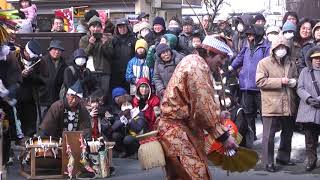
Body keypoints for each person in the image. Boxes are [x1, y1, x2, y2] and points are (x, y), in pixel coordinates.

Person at [157, 35, 237, 179]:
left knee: (180, 177)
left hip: (180, 129)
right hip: (176, 130)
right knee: (198, 175)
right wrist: (224, 136)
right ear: (210, 52)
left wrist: (218, 115)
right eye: (222, 57)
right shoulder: (197, 66)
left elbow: (197, 104)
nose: (223, 62)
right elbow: (202, 109)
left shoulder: (195, 62)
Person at [256, 34, 298, 172]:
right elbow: (260, 82)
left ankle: (283, 157)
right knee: (268, 135)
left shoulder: (291, 63)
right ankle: (268, 162)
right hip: (271, 104)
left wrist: (295, 82)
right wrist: (281, 81)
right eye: (278, 47)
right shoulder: (264, 63)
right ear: (273, 48)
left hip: (288, 103)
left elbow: (296, 77)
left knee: (288, 132)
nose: (281, 49)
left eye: (284, 47)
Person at [229, 24, 270, 141]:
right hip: (246, 86)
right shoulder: (247, 46)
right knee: (248, 113)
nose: (249, 37)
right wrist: (231, 67)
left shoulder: (266, 47)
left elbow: (268, 63)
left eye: (251, 35)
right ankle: (252, 135)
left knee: (263, 113)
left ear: (258, 35)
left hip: (260, 86)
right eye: (248, 35)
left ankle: (267, 135)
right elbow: (240, 57)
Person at [16, 39, 48, 139]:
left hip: (31, 98)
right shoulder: (15, 57)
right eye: (30, 56)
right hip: (16, 97)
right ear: (25, 52)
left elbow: (45, 79)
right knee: (17, 121)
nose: (32, 59)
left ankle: (30, 138)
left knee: (31, 124)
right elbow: (8, 76)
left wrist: (32, 75)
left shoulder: (39, 62)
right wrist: (20, 75)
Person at [0, 26, 22, 165]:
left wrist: (8, 92)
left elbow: (17, 80)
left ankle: (4, 159)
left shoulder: (8, 56)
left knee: (5, 130)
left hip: (4, 101)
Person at [296, 46, 320, 171]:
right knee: (310, 137)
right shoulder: (305, 71)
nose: (318, 60)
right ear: (311, 59)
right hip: (308, 109)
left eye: (319, 58)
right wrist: (308, 98)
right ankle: (311, 158)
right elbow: (300, 88)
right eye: (315, 58)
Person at [79, 15, 113, 95]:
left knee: (104, 95)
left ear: (101, 28)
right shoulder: (84, 39)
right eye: (93, 26)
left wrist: (105, 44)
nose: (96, 29)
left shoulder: (107, 39)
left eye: (98, 27)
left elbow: (111, 55)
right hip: (90, 71)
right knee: (91, 94)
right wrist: (90, 44)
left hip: (104, 71)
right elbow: (83, 56)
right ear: (89, 28)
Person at [109, 87, 147, 158]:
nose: (126, 107)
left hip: (137, 136)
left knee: (128, 139)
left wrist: (130, 119)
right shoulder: (120, 114)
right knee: (116, 135)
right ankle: (123, 151)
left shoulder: (138, 113)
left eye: (128, 104)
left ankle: (136, 152)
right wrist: (122, 119)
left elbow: (138, 128)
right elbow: (113, 128)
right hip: (125, 135)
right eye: (124, 105)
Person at [39, 40, 67, 116]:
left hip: (56, 98)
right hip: (43, 98)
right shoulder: (42, 61)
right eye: (54, 49)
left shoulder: (64, 63)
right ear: (50, 50)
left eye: (59, 50)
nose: (57, 52)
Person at [111, 18, 136, 90]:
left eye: (124, 27)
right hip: (116, 72)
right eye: (120, 27)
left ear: (127, 27)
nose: (122, 29)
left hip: (129, 72)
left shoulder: (133, 39)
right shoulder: (113, 40)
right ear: (117, 28)